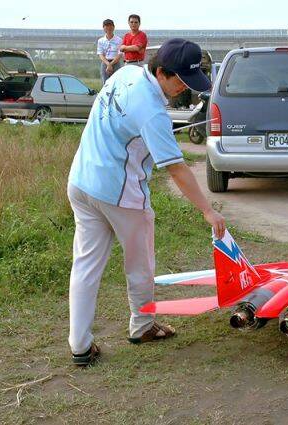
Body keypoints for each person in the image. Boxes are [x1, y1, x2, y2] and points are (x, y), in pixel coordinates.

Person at [67, 38, 225, 366]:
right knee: (140, 263)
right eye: (180, 80)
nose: (184, 88)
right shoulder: (153, 111)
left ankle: (79, 346)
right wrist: (207, 210)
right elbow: (177, 168)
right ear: (161, 71)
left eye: (189, 81)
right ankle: (141, 325)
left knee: (85, 266)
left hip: (82, 181)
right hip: (119, 193)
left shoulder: (126, 74)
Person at [97, 19, 122, 84]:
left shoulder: (119, 40)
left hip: (116, 62)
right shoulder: (101, 40)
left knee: (117, 82)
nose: (108, 28)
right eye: (106, 26)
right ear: (103, 28)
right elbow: (100, 54)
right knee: (105, 83)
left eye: (110, 26)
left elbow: (120, 54)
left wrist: (111, 64)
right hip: (105, 63)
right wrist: (108, 64)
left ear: (113, 27)